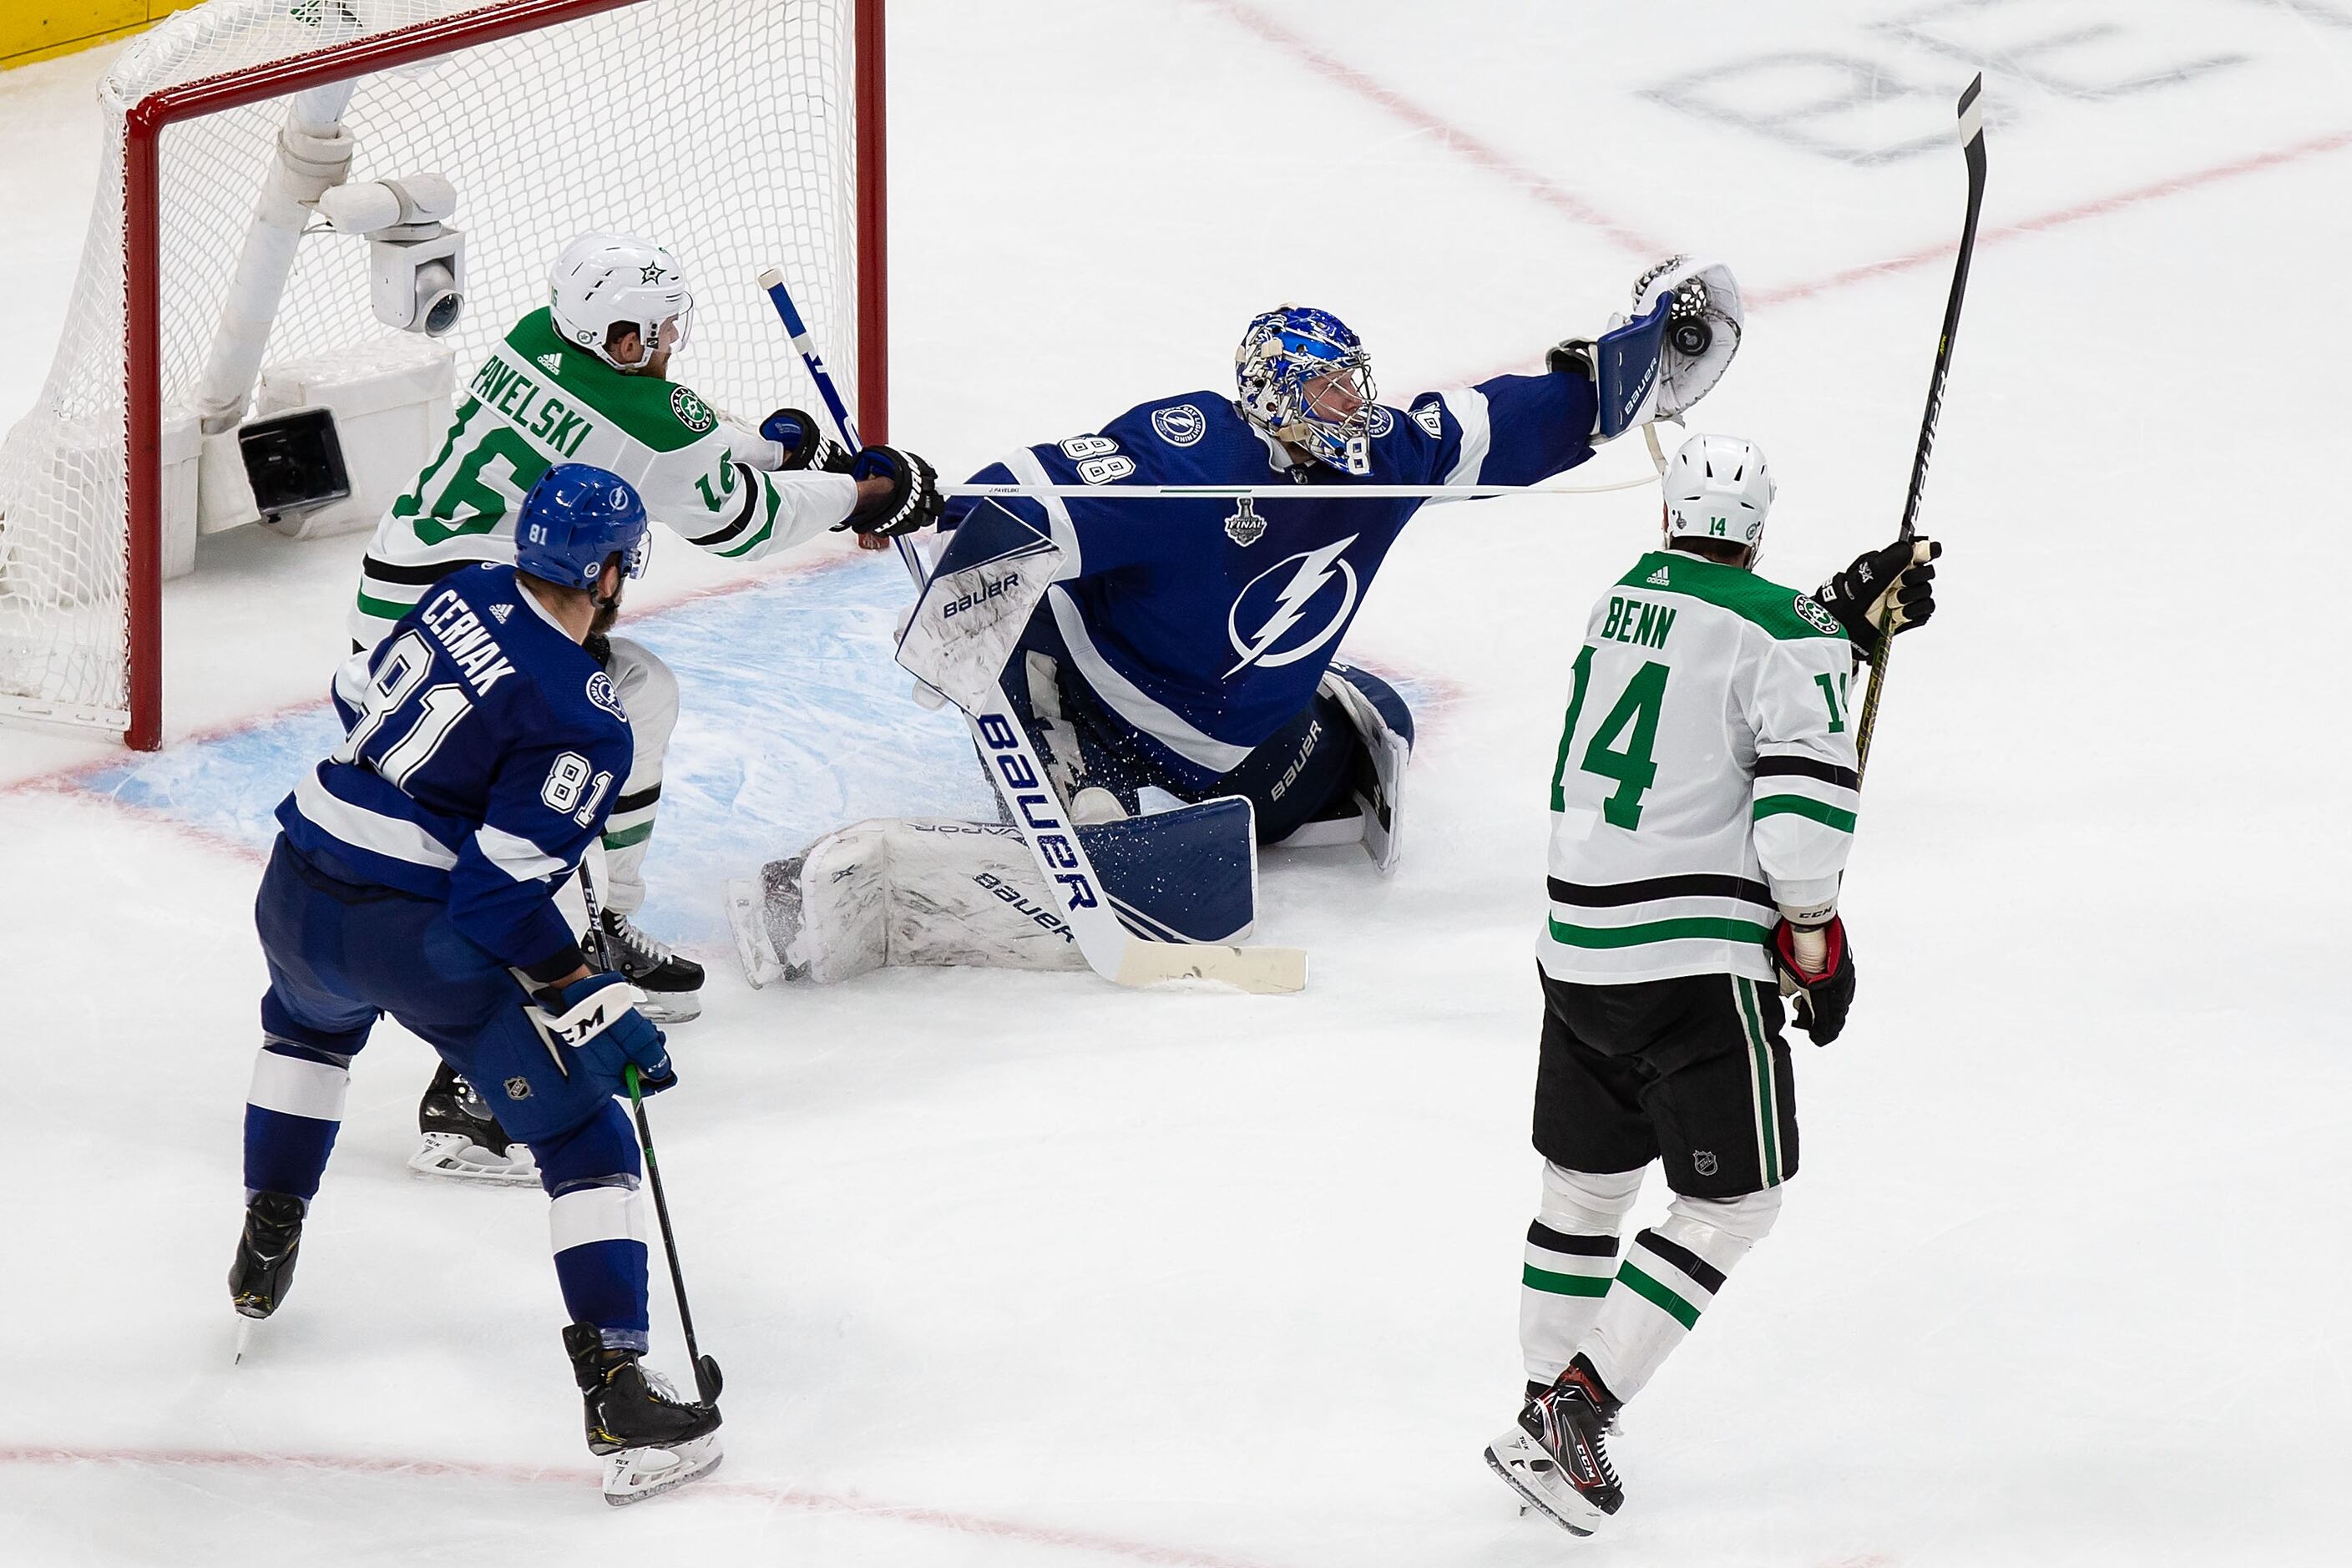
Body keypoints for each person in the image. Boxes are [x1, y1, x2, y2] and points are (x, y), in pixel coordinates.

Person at [732, 259, 1754, 983]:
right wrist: (909, 502)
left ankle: (1158, 795)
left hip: (1239, 744)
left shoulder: (1383, 458)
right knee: (1093, 772)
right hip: (1100, 703)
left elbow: (1502, 424)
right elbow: (1029, 497)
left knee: (1351, 743)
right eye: (1326, 388)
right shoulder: (1189, 454)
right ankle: (1070, 766)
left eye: (1353, 383)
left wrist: (1626, 373)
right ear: (1271, 396)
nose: (1353, 406)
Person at [353, 231, 942, 1179]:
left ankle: (608, 928)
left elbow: (663, 430)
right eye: (652, 330)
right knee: (531, 825)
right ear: (616, 334)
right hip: (488, 635)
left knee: (638, 700)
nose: (667, 341)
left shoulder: (537, 336)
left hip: (417, 606)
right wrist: (869, 494)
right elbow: (740, 519)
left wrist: (768, 443)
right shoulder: (650, 411)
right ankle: (470, 1091)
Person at [230, 464, 723, 1505]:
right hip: (411, 937)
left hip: (293, 884)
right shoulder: (588, 720)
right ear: (603, 568)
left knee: (305, 1038)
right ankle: (620, 1394)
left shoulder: (463, 594)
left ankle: (266, 1238)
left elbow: (355, 694)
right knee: (587, 1139)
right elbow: (496, 904)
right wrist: (586, 991)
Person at [1483, 432, 1940, 1535]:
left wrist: (1839, 612)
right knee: (1737, 1197)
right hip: (1688, 966)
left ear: (1667, 520)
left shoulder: (1621, 599)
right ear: (1760, 526)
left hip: (1575, 950)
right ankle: (1584, 1401)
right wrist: (1817, 941)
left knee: (1583, 1190)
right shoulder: (1787, 634)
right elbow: (1799, 819)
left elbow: (1711, 653)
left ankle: (1543, 1401)